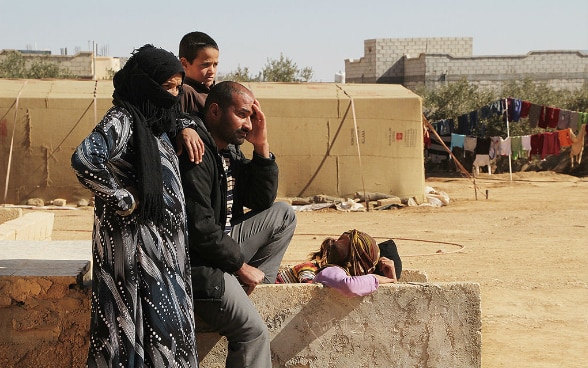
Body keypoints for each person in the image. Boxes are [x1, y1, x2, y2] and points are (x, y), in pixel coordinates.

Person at [71, 44, 197, 367]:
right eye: (166, 87)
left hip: (163, 255)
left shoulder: (156, 119)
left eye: (177, 87)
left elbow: (178, 118)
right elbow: (85, 158)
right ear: (147, 86)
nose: (174, 94)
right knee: (132, 340)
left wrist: (183, 125)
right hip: (133, 254)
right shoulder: (123, 119)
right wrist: (124, 199)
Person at [179, 81, 297, 368]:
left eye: (251, 117)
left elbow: (261, 199)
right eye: (242, 115)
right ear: (216, 111)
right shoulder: (196, 152)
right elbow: (200, 227)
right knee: (253, 333)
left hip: (220, 250)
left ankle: (247, 294)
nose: (247, 124)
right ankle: (239, 293)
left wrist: (261, 146)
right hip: (197, 265)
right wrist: (240, 266)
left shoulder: (228, 151)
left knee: (284, 214)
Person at [277, 229, 401, 297]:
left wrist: (392, 279)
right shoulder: (329, 271)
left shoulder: (332, 272)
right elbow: (349, 286)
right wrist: (377, 278)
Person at [179, 31, 219, 114]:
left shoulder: (214, 92)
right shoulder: (185, 92)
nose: (212, 71)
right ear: (184, 63)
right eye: (205, 65)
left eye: (215, 65)